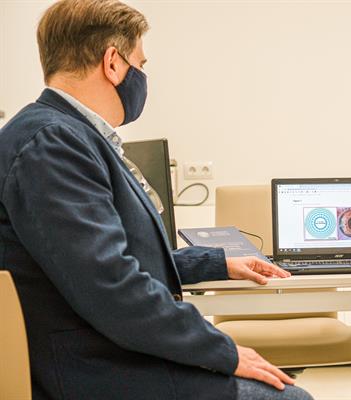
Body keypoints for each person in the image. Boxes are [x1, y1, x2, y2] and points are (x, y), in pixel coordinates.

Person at [0, 1, 313, 399]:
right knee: (288, 397)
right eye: (141, 64)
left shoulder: (65, 135)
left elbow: (109, 259)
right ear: (113, 63)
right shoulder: (52, 144)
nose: (142, 76)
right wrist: (223, 350)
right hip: (91, 370)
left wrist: (216, 263)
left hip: (103, 350)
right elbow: (111, 286)